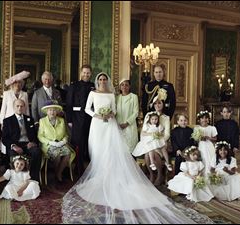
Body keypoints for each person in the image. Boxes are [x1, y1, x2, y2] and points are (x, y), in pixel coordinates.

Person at [62, 72, 195, 224]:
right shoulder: (93, 92)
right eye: (100, 79)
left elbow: (114, 109)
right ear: (97, 80)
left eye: (105, 79)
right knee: (97, 150)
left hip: (110, 125)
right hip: (97, 124)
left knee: (110, 150)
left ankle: (110, 176)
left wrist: (110, 114)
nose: (103, 81)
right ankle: (99, 176)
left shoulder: (112, 94)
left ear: (108, 81)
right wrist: (98, 115)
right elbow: (87, 108)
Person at [2, 99, 42, 182]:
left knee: (37, 151)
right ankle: (15, 180)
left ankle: (33, 179)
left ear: (24, 107)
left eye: (21, 106)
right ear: (14, 107)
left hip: (28, 144)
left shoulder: (30, 119)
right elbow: (5, 138)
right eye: (17, 106)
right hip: (15, 145)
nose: (19, 108)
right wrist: (13, 146)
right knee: (13, 154)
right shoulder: (7, 121)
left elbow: (34, 135)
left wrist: (33, 143)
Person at [66, 65, 95, 175]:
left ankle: (89, 167)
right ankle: (78, 167)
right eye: (84, 72)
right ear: (81, 73)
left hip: (90, 118)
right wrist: (69, 120)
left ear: (91, 74)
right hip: (77, 118)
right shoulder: (74, 86)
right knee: (79, 143)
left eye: (88, 73)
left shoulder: (93, 86)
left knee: (89, 142)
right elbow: (69, 103)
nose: (86, 75)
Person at [37, 100, 75, 182]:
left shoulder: (61, 120)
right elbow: (40, 136)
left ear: (57, 111)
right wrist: (50, 142)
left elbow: (65, 134)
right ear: (47, 111)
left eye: (54, 110)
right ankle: (56, 173)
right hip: (48, 145)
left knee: (68, 153)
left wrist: (63, 141)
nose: (52, 112)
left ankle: (58, 173)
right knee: (56, 155)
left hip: (61, 143)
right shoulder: (42, 121)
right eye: (50, 110)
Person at [144, 93, 171, 185]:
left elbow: (167, 134)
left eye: (159, 103)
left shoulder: (166, 118)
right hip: (150, 140)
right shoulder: (148, 115)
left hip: (162, 142)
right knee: (148, 154)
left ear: (163, 104)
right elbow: (144, 130)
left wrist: (160, 140)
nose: (157, 105)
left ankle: (160, 175)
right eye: (155, 103)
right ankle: (152, 174)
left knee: (155, 154)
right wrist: (149, 138)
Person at [116, 79, 139, 152]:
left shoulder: (134, 97)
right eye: (122, 85)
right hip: (119, 126)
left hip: (130, 125)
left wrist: (127, 123)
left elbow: (136, 112)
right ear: (120, 87)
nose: (124, 87)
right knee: (120, 149)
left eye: (126, 85)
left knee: (129, 149)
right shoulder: (117, 98)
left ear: (129, 86)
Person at [194, 110, 217, 176]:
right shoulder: (197, 128)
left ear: (208, 119)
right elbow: (195, 140)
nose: (204, 120)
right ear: (199, 120)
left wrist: (208, 138)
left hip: (209, 146)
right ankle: (202, 176)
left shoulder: (212, 128)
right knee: (203, 159)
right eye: (202, 118)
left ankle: (211, 175)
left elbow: (215, 138)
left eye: (206, 118)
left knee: (210, 159)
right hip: (201, 146)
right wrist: (199, 138)